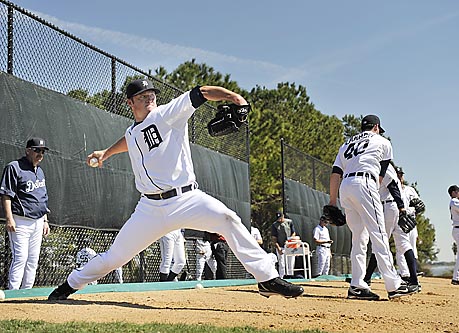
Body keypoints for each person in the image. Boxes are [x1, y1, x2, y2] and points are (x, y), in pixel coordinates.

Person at [48, 79, 303, 300]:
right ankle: (69, 285)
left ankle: (266, 278)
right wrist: (106, 152)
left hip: (187, 199)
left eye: (152, 95)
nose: (149, 99)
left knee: (228, 219)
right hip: (149, 208)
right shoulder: (133, 131)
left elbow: (201, 92)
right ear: (130, 103)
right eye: (143, 96)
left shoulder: (167, 114)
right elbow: (131, 140)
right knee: (115, 257)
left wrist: (234, 97)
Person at [328, 114, 417, 300]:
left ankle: (357, 285)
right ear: (376, 127)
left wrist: (332, 202)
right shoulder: (382, 141)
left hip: (346, 186)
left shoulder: (346, 144)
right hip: (365, 183)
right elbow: (381, 176)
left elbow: (335, 173)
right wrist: (371, 194)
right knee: (379, 234)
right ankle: (394, 284)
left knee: (359, 238)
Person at [1, 137, 51, 290]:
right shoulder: (14, 167)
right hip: (20, 221)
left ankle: (27, 293)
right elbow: (6, 195)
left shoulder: (40, 171)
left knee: (33, 260)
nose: (40, 154)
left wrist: (45, 220)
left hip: (38, 221)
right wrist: (9, 218)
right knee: (20, 257)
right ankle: (12, 292)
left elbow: (42, 198)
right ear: (28, 150)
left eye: (42, 151)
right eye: (37, 150)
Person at [363, 164, 420, 290]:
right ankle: (414, 281)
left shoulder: (384, 167)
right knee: (403, 243)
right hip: (396, 208)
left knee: (380, 242)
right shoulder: (391, 171)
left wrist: (402, 208)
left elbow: (392, 188)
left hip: (388, 207)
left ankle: (366, 278)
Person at [396, 167, 421, 278]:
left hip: (410, 220)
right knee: (401, 247)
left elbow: (418, 204)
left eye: (401, 174)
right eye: (398, 174)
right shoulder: (392, 190)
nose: (400, 176)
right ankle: (404, 273)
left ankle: (413, 271)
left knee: (412, 247)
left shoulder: (410, 190)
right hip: (398, 219)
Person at [271, 211, 296, 278]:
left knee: (290, 262)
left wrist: (290, 240)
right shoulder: (274, 225)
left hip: (289, 245)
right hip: (280, 246)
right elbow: (274, 238)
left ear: (283, 216)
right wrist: (278, 248)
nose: (279, 220)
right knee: (282, 263)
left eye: (280, 218)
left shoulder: (289, 222)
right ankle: (282, 277)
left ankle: (290, 276)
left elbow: (293, 233)